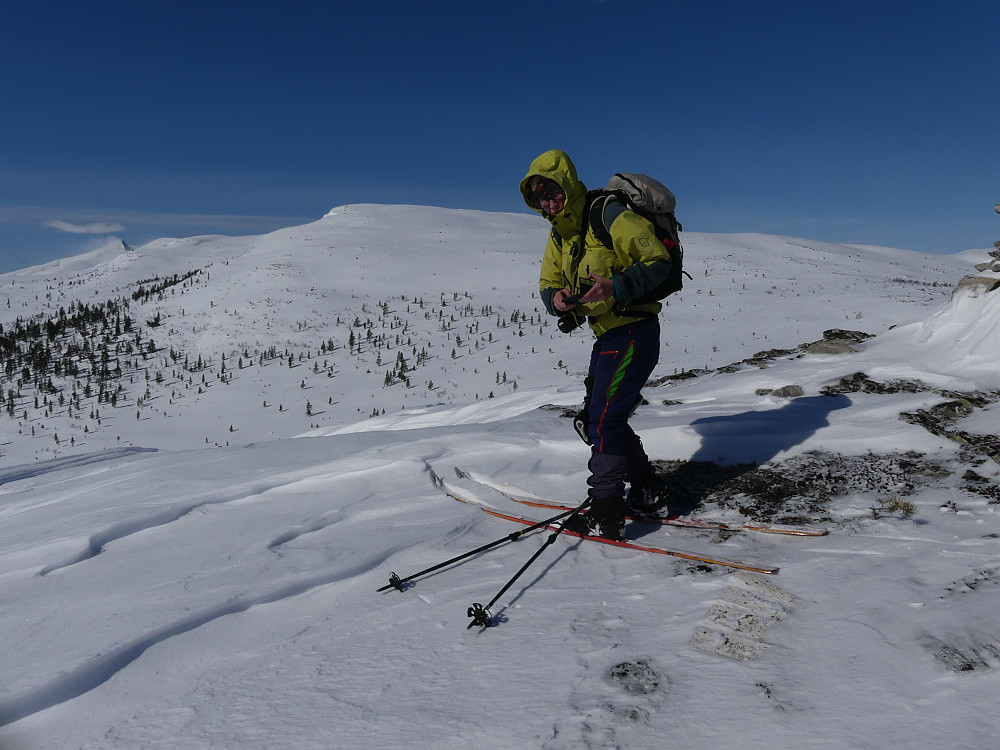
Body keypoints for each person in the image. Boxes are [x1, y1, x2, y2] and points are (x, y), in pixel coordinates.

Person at [520, 149, 671, 541]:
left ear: (567, 186)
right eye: (540, 198)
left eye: (552, 192)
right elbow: (547, 282)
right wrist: (556, 301)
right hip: (608, 335)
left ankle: (606, 510)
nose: (548, 202)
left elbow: (658, 261)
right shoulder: (560, 234)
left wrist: (616, 286)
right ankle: (647, 491)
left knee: (603, 421)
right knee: (599, 420)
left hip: (635, 331)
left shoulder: (605, 214)